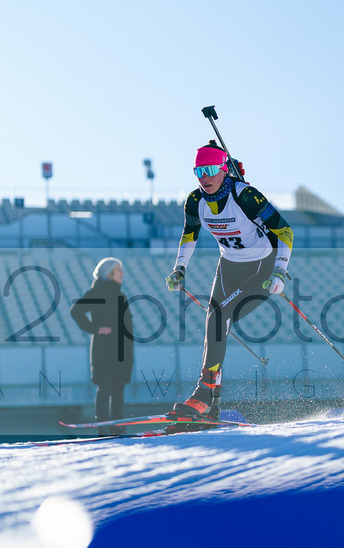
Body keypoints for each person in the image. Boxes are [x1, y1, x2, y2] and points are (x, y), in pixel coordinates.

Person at [164, 140, 294, 420]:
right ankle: (211, 406)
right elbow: (189, 235)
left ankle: (204, 395)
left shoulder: (245, 196)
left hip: (261, 268)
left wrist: (280, 271)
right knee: (215, 321)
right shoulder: (195, 200)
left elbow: (284, 231)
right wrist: (180, 269)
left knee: (218, 316)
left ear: (224, 169)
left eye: (211, 169)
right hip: (228, 267)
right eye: (198, 171)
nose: (205, 177)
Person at [70, 257, 134, 435]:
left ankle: (118, 429)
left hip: (122, 351)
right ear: (108, 274)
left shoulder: (122, 296)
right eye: (118, 270)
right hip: (104, 350)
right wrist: (95, 329)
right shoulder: (96, 293)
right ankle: (103, 428)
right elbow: (76, 311)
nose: (122, 274)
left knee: (119, 390)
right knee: (105, 388)